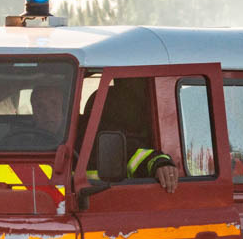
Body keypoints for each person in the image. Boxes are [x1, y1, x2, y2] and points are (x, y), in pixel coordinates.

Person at [51, 78, 179, 194]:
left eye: (53, 104)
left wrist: (161, 164)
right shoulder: (31, 144)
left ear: (67, 108)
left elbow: (137, 155)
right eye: (39, 105)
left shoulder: (91, 138)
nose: (46, 111)